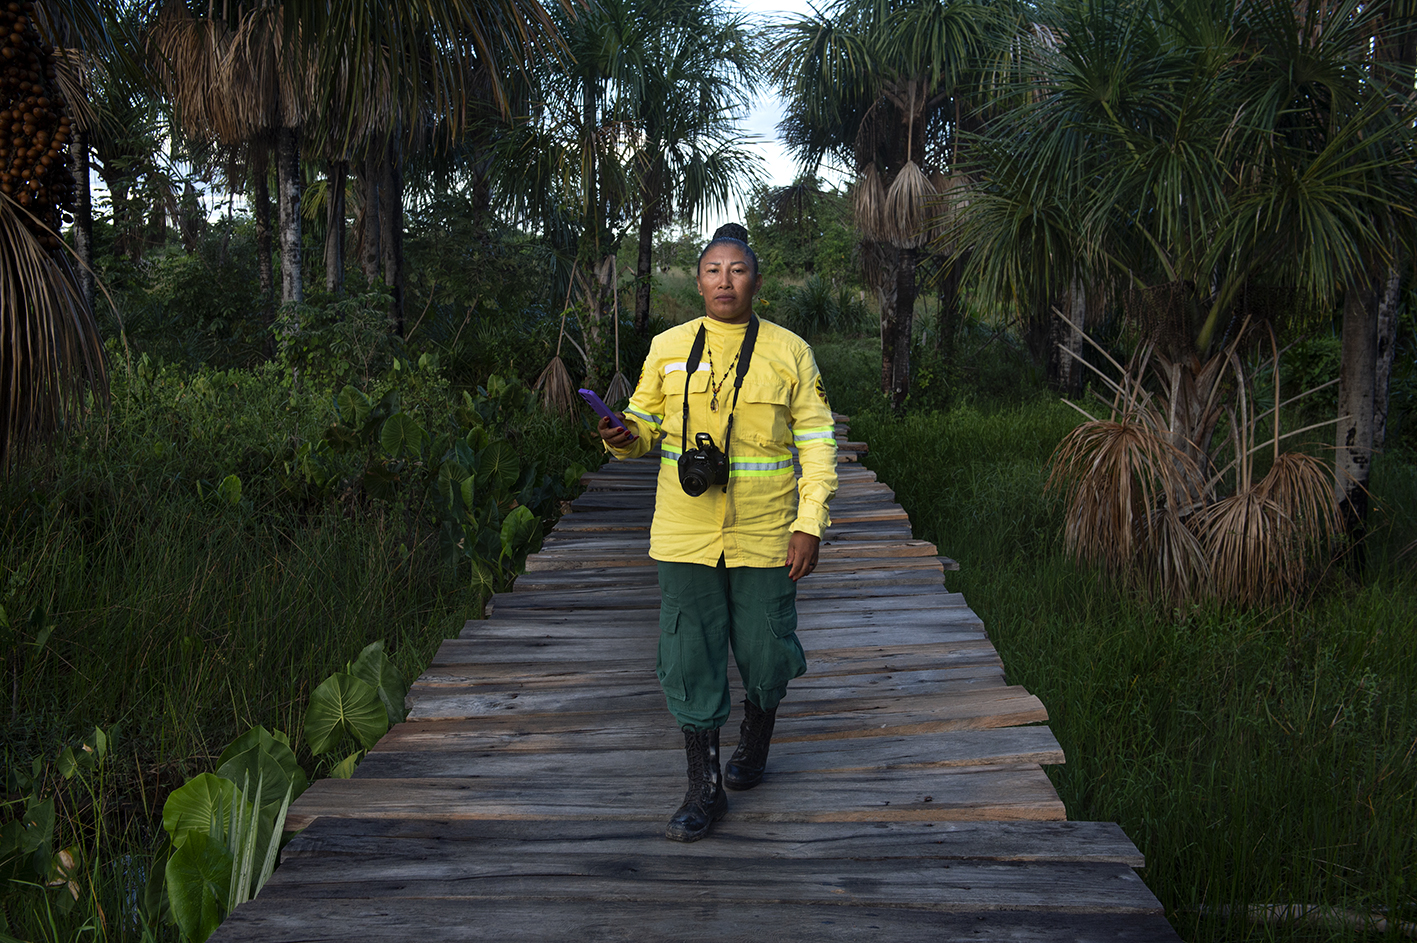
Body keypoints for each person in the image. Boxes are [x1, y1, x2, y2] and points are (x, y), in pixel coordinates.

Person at [598, 224, 838, 842]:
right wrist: (622, 437)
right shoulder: (668, 347)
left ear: (755, 281)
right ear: (699, 282)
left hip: (766, 530)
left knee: (766, 650)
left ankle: (755, 740)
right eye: (712, 270)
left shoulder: (790, 351)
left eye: (737, 270)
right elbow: (643, 426)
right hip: (685, 532)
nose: (724, 281)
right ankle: (704, 788)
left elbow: (817, 443)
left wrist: (809, 523)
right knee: (688, 655)